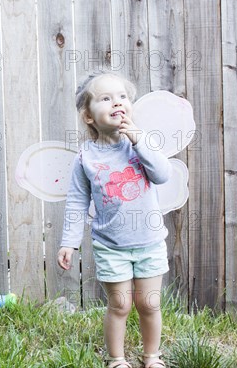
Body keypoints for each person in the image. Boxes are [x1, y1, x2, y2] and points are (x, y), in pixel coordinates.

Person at [57, 72, 170, 368]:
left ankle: (152, 356)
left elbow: (161, 174)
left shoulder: (140, 143)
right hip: (111, 245)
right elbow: (77, 201)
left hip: (149, 242)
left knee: (150, 303)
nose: (117, 103)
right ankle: (116, 359)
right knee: (120, 305)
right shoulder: (86, 157)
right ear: (89, 116)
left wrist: (139, 142)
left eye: (122, 97)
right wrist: (69, 242)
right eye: (106, 98)